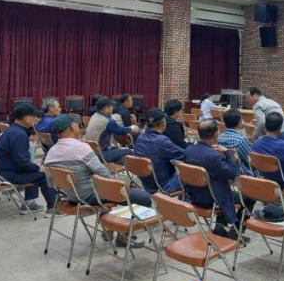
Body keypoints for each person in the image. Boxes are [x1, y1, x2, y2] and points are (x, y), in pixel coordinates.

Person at [45, 115, 150, 248]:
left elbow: (50, 183)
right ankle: (123, 235)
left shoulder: (51, 152)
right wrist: (119, 187)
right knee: (142, 197)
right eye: (76, 124)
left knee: (110, 190)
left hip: (71, 196)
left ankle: (109, 226)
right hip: (90, 196)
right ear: (72, 127)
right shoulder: (80, 147)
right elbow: (102, 173)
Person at [184, 120, 255, 241]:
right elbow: (232, 174)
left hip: (193, 195)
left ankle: (219, 228)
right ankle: (236, 232)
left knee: (221, 185)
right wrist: (227, 153)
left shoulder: (189, 150)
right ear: (215, 134)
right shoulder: (213, 156)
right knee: (250, 197)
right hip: (212, 199)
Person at [0, 103, 58, 215]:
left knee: (33, 167)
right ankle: (54, 208)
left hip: (2, 171)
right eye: (35, 117)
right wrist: (39, 168)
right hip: (9, 174)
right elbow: (23, 163)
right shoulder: (19, 134)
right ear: (27, 119)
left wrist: (35, 167)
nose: (37, 119)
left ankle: (29, 204)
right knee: (46, 175)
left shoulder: (12, 130)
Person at [133, 108, 184, 193]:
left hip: (147, 184)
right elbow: (185, 155)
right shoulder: (162, 141)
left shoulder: (140, 137)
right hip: (164, 185)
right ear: (163, 123)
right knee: (194, 172)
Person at [84, 98, 139, 164]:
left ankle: (116, 165)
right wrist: (132, 128)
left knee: (120, 156)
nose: (112, 108)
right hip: (101, 154)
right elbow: (120, 130)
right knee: (131, 152)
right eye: (111, 106)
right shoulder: (108, 121)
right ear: (106, 109)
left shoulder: (94, 115)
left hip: (90, 152)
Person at [218, 108, 255, 176]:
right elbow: (250, 160)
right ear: (239, 121)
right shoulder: (240, 140)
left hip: (225, 170)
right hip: (240, 173)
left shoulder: (219, 137)